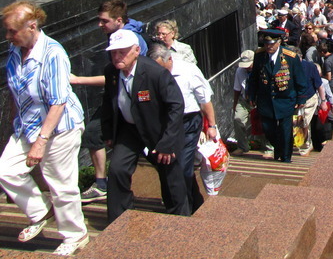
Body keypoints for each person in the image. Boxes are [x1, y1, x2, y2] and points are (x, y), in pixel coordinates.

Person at [0, 1, 88, 256]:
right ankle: (41, 211)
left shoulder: (52, 54)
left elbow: (58, 102)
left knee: (60, 183)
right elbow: (16, 92)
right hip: (27, 125)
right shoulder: (16, 49)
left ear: (32, 26)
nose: (8, 37)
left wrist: (41, 141)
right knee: (6, 169)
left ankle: (75, 235)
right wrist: (14, 126)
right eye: (7, 31)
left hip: (60, 126)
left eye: (12, 31)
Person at [101, 29, 189, 223]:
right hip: (129, 129)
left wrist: (167, 142)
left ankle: (180, 218)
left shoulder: (154, 72)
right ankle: (119, 217)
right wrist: (108, 131)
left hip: (158, 129)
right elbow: (108, 101)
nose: (117, 57)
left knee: (170, 174)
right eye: (113, 52)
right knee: (117, 169)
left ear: (136, 51)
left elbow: (176, 106)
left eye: (122, 52)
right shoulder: (111, 72)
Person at [71, 0, 150, 205]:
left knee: (157, 155)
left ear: (118, 20)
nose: (100, 25)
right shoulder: (115, 37)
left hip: (136, 104)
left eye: (103, 21)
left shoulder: (132, 41)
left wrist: (79, 80)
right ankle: (103, 183)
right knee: (96, 136)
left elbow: (120, 75)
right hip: (120, 101)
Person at [148, 41, 217, 213]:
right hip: (164, 123)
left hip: (188, 122)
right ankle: (191, 202)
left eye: (162, 67)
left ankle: (182, 210)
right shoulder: (150, 72)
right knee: (169, 166)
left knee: (182, 167)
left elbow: (204, 99)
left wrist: (212, 125)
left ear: (169, 59)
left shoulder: (188, 70)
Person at [248, 28, 310, 163]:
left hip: (286, 99)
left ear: (279, 42)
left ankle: (286, 158)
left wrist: (301, 98)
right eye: (266, 43)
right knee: (268, 129)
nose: (268, 46)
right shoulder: (259, 55)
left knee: (285, 130)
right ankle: (279, 149)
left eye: (271, 44)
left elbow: (299, 78)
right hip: (266, 100)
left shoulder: (290, 57)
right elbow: (253, 78)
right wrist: (251, 95)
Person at [231, 50, 265, 156]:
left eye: (249, 65)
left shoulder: (262, 69)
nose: (247, 68)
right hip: (244, 99)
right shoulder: (240, 71)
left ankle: (267, 146)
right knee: (238, 119)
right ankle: (242, 146)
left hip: (259, 99)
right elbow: (237, 88)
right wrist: (235, 103)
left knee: (263, 122)